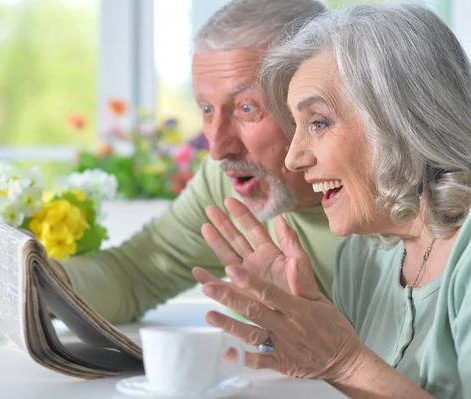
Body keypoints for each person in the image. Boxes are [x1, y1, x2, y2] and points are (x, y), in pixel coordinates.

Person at [193, 4, 471, 398]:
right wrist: (305, 340)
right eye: (296, 126)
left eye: (318, 123)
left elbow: (349, 365)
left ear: (402, 119)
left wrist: (343, 359)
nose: (294, 157)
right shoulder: (363, 257)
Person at [54, 0, 344, 324]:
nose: (218, 149)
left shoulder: (387, 190)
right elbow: (135, 274)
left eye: (247, 108)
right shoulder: (228, 182)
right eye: (206, 109)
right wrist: (41, 282)